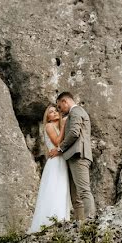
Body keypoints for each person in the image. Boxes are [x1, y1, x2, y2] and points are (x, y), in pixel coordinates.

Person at [48, 91, 96, 221]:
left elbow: (74, 133)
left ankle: (90, 221)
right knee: (76, 196)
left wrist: (60, 149)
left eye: (59, 107)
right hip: (73, 156)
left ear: (65, 101)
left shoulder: (76, 111)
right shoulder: (74, 113)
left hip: (79, 155)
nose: (60, 110)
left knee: (84, 191)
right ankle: (80, 222)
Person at [28, 104, 73, 233]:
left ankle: (62, 219)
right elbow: (58, 142)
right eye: (50, 112)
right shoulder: (49, 126)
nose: (54, 113)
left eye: (55, 111)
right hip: (55, 163)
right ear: (47, 117)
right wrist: (64, 126)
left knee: (62, 189)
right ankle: (50, 221)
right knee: (54, 189)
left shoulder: (58, 125)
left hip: (61, 160)